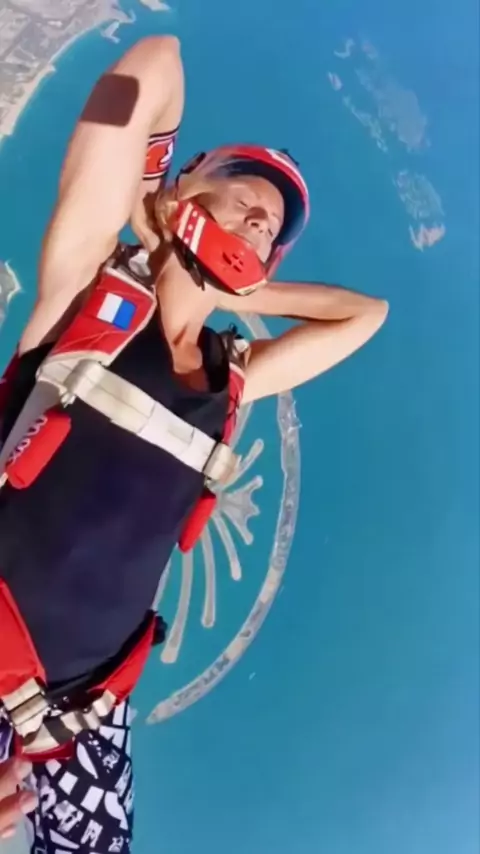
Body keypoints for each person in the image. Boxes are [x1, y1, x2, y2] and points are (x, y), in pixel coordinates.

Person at [0, 36, 388, 851]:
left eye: (271, 227)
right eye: (244, 195)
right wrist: (156, 210)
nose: (261, 219)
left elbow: (365, 316)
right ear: (185, 191)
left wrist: (240, 283)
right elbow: (153, 63)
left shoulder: (233, 380)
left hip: (82, 715)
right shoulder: (89, 292)